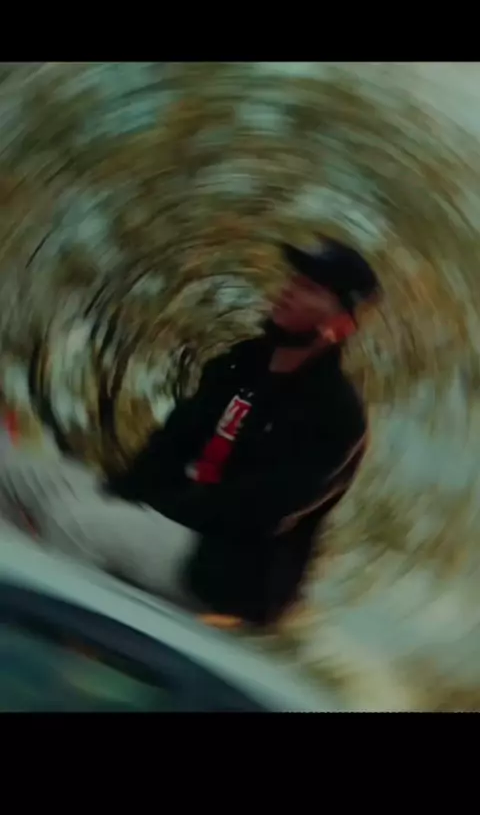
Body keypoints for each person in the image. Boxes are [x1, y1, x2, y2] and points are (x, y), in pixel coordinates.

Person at [0, 238, 381, 628]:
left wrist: (149, 506)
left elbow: (260, 509)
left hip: (225, 564)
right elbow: (171, 442)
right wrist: (125, 492)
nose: (288, 291)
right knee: (13, 473)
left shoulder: (337, 415)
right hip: (162, 512)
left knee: (79, 526)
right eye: (294, 281)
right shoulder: (241, 363)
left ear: (340, 326)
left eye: (310, 289)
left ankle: (31, 643)